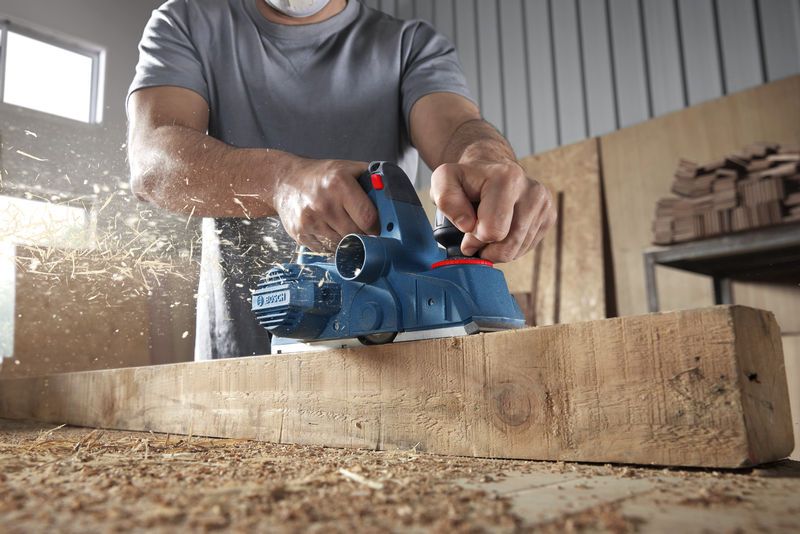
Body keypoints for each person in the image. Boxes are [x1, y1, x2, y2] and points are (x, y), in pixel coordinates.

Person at [127, 0, 556, 360]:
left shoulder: (410, 45)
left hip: (389, 353)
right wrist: (280, 182)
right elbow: (152, 163)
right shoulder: (188, 20)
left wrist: (485, 161)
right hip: (240, 350)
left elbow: (458, 128)